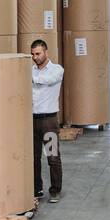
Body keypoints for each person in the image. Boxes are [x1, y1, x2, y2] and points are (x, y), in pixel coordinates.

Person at [30, 38, 64, 203]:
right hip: (33, 120)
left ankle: (55, 190)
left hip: (49, 121)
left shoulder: (57, 70)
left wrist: (31, 79)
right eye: (32, 54)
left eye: (38, 53)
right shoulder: (31, 70)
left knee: (52, 156)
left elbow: (49, 80)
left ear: (46, 52)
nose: (35, 57)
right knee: (34, 157)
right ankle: (37, 189)